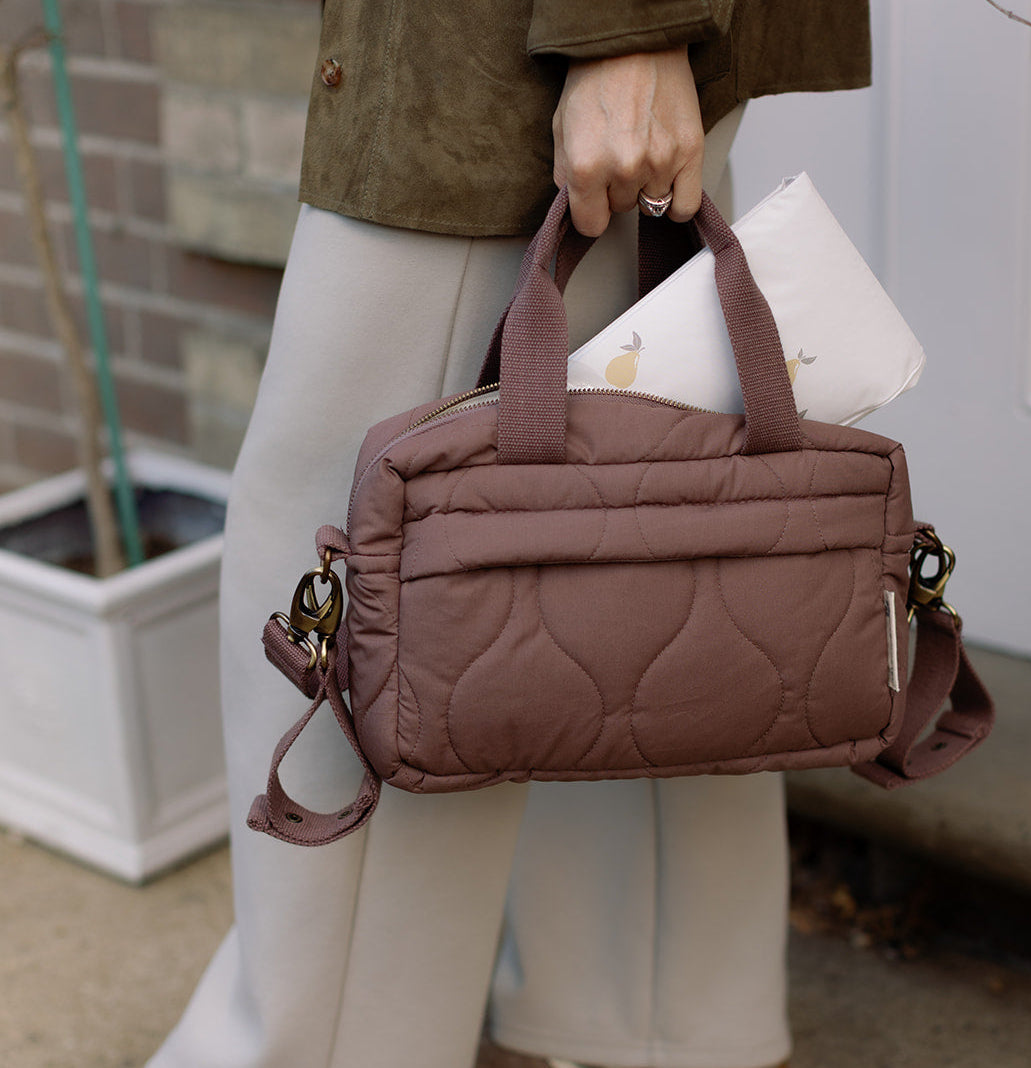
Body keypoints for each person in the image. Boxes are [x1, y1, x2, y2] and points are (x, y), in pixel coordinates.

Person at [148, 4, 870, 1067]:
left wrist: (626, 29)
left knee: (377, 542)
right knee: (644, 519)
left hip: (507, 39)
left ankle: (323, 1050)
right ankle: (652, 1027)